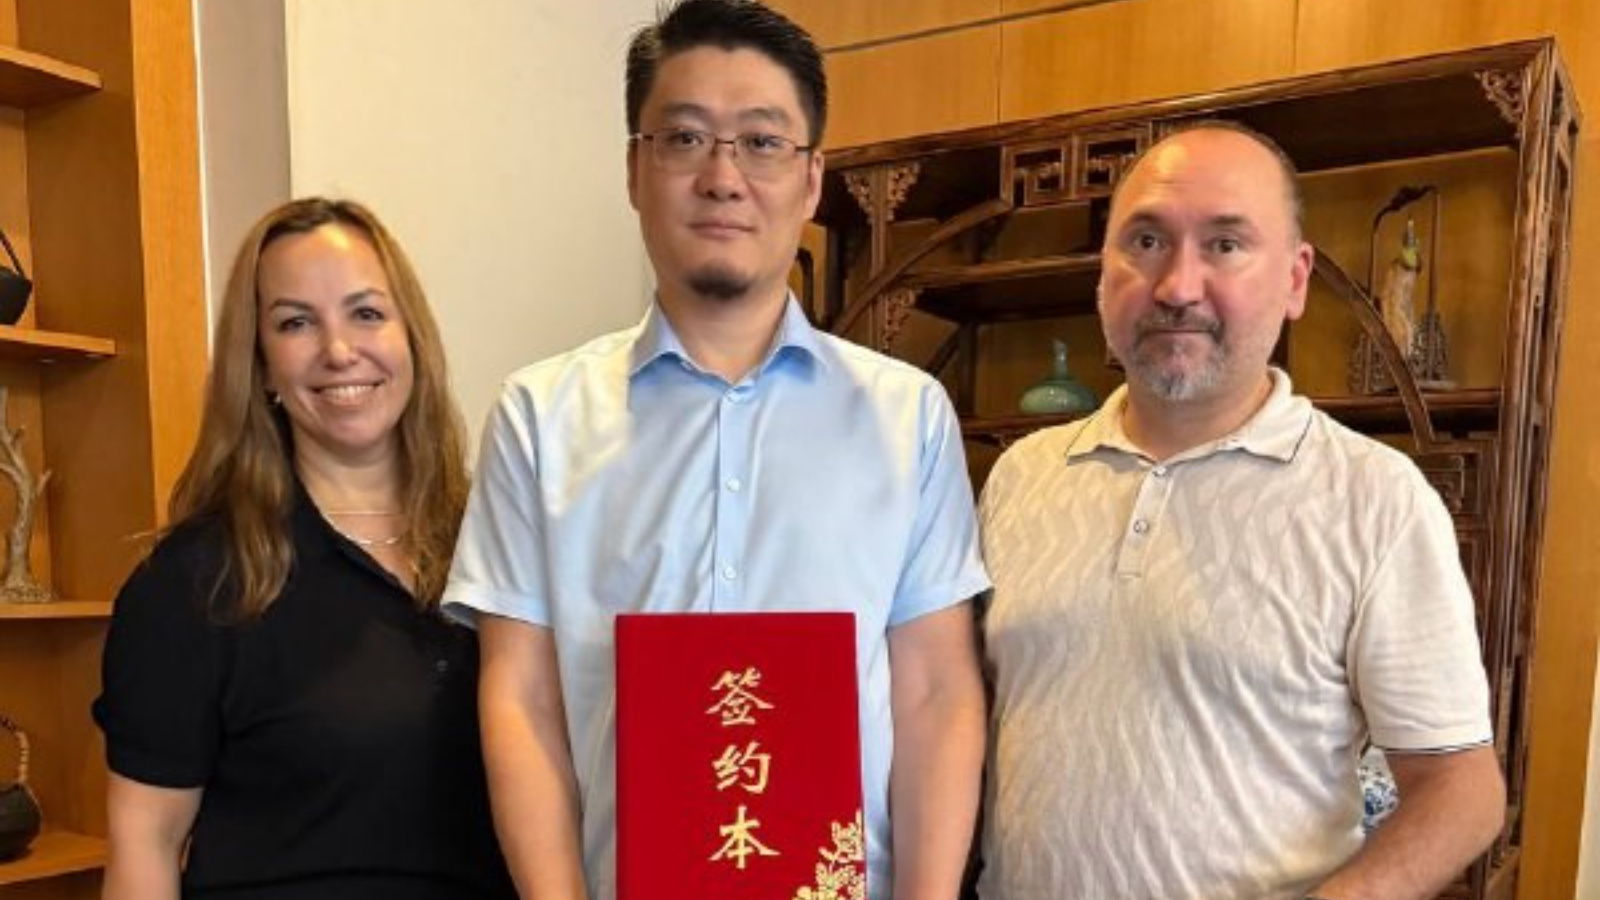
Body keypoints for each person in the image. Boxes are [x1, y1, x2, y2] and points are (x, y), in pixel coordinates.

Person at [441, 2, 989, 899]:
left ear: (811, 180)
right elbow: (520, 699)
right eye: (686, 138)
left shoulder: (906, 416)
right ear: (635, 168)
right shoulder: (540, 417)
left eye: (762, 142)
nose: (723, 178)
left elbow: (935, 694)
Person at [977, 123, 1505, 900]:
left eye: (1225, 245)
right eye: (1146, 241)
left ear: (1294, 280)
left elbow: (1462, 788)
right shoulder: (1021, 475)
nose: (1177, 287)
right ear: (1102, 276)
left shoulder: (1376, 500)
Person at [93, 198, 515, 900]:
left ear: (412, 338)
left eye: (367, 313)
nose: (339, 350)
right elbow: (146, 842)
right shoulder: (195, 582)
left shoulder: (501, 544)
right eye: (295, 323)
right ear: (260, 365)